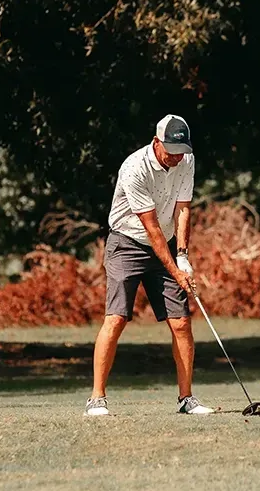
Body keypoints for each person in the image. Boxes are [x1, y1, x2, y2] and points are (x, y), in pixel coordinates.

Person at [84, 114, 214, 416]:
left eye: (181, 151)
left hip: (165, 244)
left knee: (181, 322)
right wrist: (175, 271)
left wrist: (183, 255)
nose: (176, 157)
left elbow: (183, 209)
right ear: (156, 142)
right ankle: (96, 398)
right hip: (126, 243)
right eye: (171, 151)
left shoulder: (186, 159)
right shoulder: (134, 168)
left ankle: (186, 399)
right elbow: (151, 227)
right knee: (116, 318)